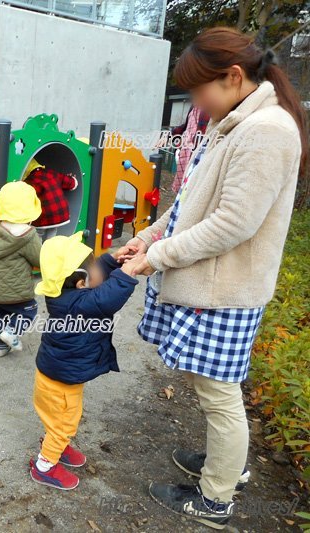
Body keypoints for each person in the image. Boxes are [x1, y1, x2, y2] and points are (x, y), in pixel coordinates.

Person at [118, 27, 306, 529]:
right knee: (213, 389)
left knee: (219, 396)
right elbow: (189, 202)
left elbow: (231, 224)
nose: (196, 104)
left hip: (225, 289)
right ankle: (226, 463)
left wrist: (158, 257)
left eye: (199, 91)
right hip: (211, 283)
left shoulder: (267, 130)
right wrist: (147, 237)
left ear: (233, 76)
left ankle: (216, 497)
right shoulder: (233, 122)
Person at [29, 234, 140, 490]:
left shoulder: (63, 292)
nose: (98, 269)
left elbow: (96, 281)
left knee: (59, 419)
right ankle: (45, 465)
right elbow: (107, 297)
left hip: (58, 375)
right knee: (64, 423)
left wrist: (112, 260)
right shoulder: (81, 305)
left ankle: (56, 444)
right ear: (81, 283)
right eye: (94, 268)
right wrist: (127, 272)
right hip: (61, 382)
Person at [0, 181, 42, 357]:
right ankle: (12, 331)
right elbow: (38, 259)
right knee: (29, 310)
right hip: (17, 292)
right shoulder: (28, 235)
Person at [23, 161, 78, 241]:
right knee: (52, 230)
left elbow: (28, 197)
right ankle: (50, 246)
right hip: (60, 212)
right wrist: (72, 179)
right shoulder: (51, 173)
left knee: (38, 233)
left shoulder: (30, 181)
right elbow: (70, 183)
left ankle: (39, 247)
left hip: (44, 215)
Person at [170, 105, 210, 192]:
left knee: (193, 189)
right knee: (182, 190)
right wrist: (170, 136)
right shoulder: (194, 106)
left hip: (199, 156)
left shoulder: (210, 109)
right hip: (185, 154)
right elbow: (185, 126)